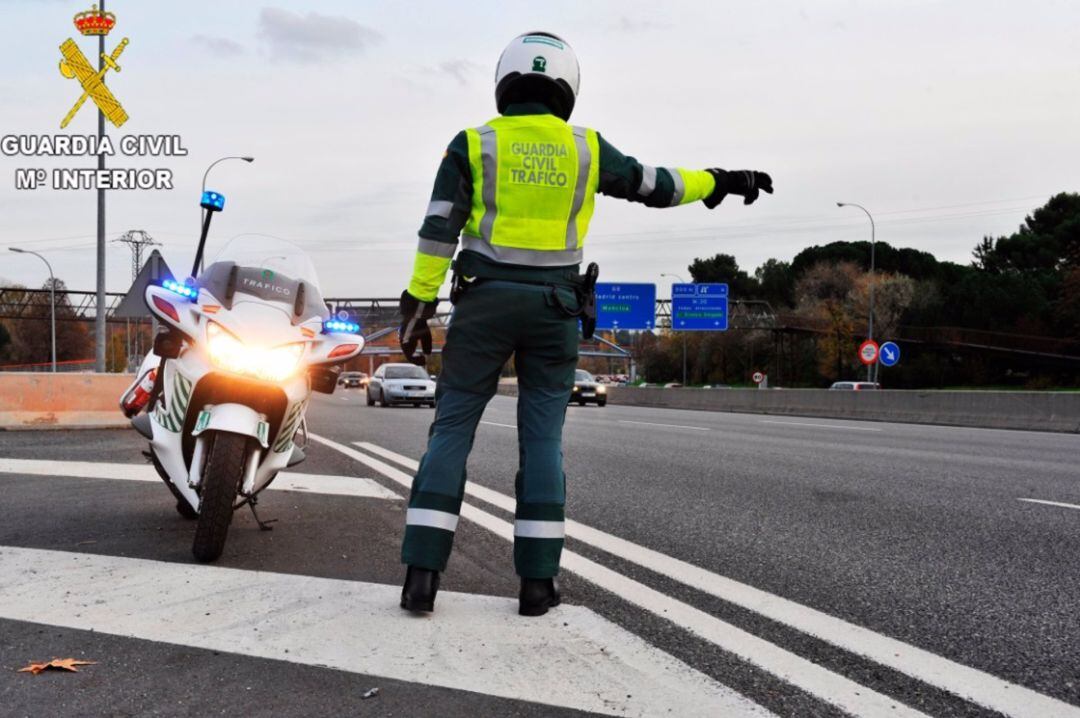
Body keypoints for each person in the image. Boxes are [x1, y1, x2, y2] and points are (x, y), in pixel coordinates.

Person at [397, 31, 773, 616]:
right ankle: (537, 585)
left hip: (483, 306)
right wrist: (721, 180)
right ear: (567, 87)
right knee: (542, 442)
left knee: (450, 432)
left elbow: (439, 228)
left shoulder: (473, 143)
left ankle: (422, 575)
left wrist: (418, 307)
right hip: (555, 312)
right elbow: (656, 184)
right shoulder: (586, 148)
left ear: (505, 82)